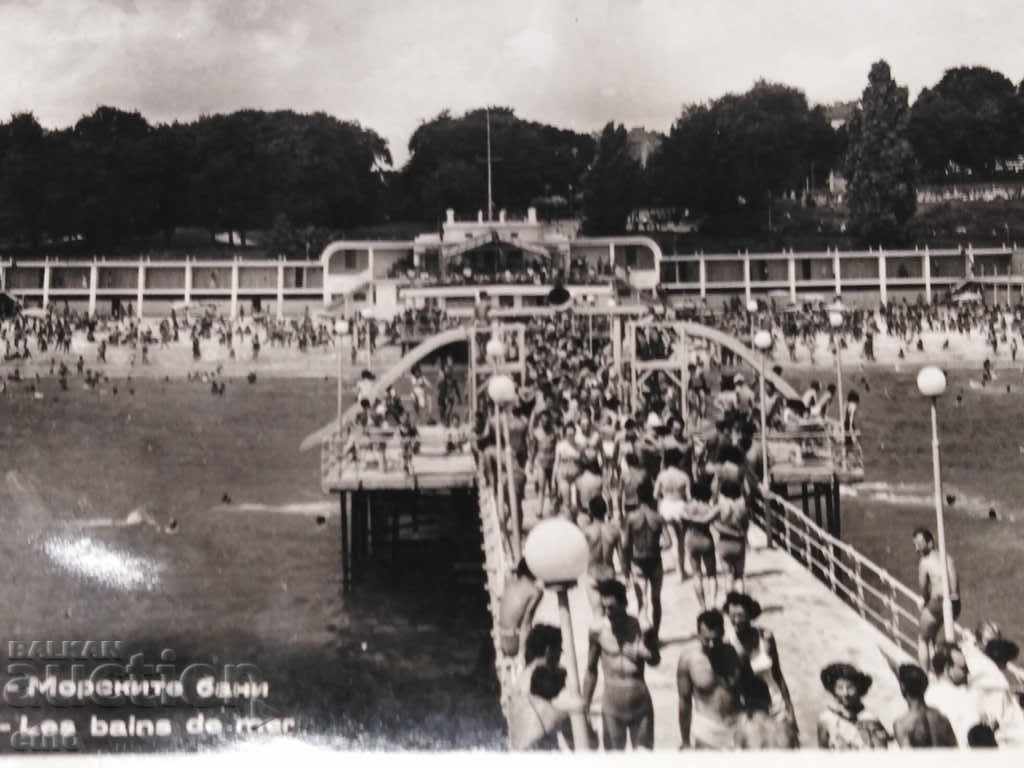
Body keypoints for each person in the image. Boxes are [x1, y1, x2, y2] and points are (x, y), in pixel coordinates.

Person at [582, 579, 659, 750]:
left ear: (624, 603)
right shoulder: (597, 631)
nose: (608, 612)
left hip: (640, 706)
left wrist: (645, 649)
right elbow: (591, 670)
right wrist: (585, 706)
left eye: (612, 607)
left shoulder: (640, 627)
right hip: (612, 709)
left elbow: (655, 660)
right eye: (604, 607)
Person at [677, 609, 756, 749]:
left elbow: (750, 690)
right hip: (707, 730)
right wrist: (685, 741)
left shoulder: (735, 654)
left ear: (723, 633)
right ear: (698, 635)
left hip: (736, 728)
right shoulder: (688, 660)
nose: (712, 645)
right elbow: (684, 701)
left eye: (716, 639)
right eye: (707, 640)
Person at [723, 592, 797, 729]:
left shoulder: (766, 636)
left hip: (775, 700)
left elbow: (777, 673)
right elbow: (729, 684)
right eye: (732, 616)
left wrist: (790, 708)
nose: (736, 621)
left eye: (740, 615)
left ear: (751, 615)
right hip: (746, 705)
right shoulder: (728, 643)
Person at [621, 481, 665, 640]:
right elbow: (668, 542)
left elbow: (625, 545)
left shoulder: (631, 518)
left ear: (638, 497)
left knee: (642, 600)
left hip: (638, 560)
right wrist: (655, 546)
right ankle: (656, 635)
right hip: (655, 560)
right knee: (656, 599)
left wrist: (625, 568)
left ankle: (645, 632)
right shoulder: (658, 517)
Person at [913, 527, 961, 671]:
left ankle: (925, 675)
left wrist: (924, 601)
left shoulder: (924, 562)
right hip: (955, 604)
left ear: (930, 542)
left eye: (919, 544)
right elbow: (955, 585)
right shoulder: (948, 557)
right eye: (915, 545)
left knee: (922, 638)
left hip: (938, 603)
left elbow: (923, 587)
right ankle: (942, 669)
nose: (916, 549)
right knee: (934, 635)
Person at [816, 662, 891, 749]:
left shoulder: (869, 718)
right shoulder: (825, 719)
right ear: (833, 690)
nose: (845, 693)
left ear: (858, 689)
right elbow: (823, 751)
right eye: (840, 688)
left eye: (850, 687)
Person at [925, 642, 985, 747]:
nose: (968, 672)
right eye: (963, 668)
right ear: (948, 669)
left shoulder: (927, 694)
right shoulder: (965, 696)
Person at [577, 497, 622, 622]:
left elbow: (579, 556)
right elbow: (622, 556)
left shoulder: (586, 532)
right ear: (606, 510)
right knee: (614, 617)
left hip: (593, 575)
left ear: (590, 512)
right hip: (609, 574)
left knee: (598, 617)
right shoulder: (614, 530)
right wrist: (627, 574)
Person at [892, 663, 958, 747]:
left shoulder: (902, 724)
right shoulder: (941, 717)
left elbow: (909, 757)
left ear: (903, 687)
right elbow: (955, 749)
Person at [498, 559, 544, 658]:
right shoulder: (535, 592)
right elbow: (526, 624)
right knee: (548, 633)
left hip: (501, 639)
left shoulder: (509, 584)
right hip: (514, 643)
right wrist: (522, 655)